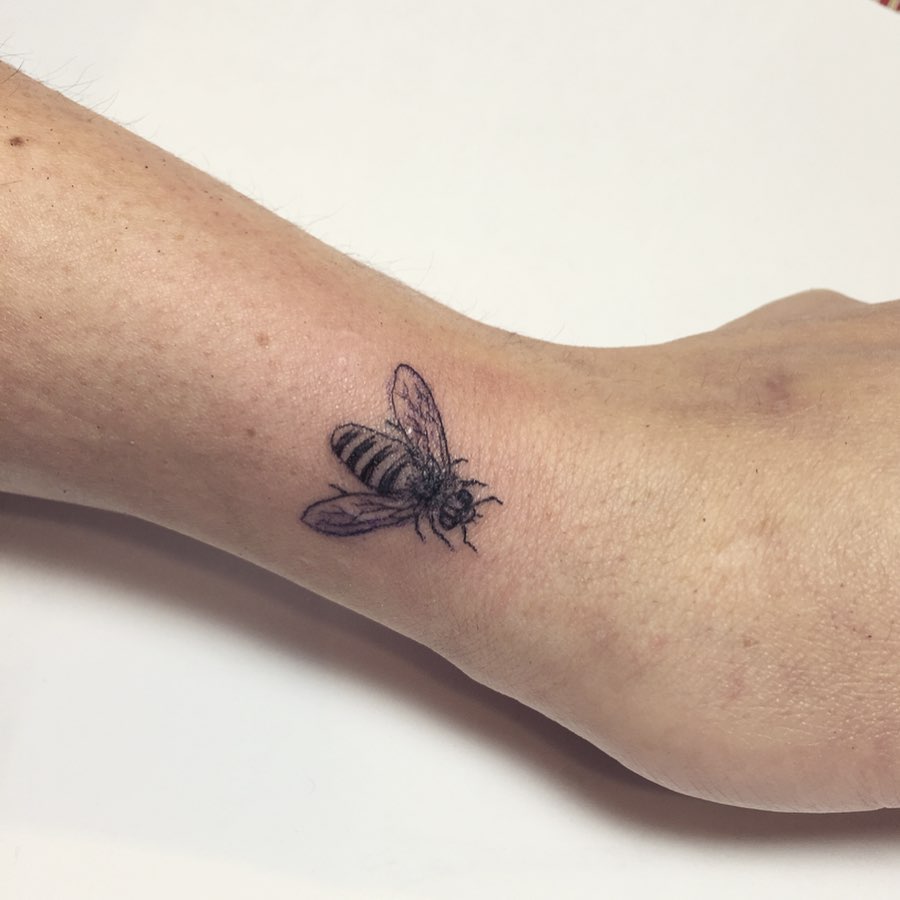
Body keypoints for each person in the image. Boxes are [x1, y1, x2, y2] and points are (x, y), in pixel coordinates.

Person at [2, 60, 898, 814]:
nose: (464, 503)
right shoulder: (429, 489)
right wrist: (591, 490)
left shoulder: (418, 487)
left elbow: (394, 450)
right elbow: (400, 456)